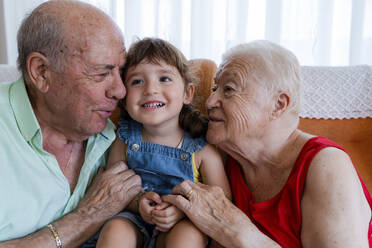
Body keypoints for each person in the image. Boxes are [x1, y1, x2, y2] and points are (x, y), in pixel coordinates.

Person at [164, 40, 372, 247]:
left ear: (278, 105)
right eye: (214, 89)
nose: (209, 102)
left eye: (228, 89)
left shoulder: (326, 164)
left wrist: (239, 234)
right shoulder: (222, 158)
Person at [0, 1, 142, 247]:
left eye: (121, 71)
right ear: (42, 72)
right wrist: (87, 216)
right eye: (100, 73)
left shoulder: (123, 131)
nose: (120, 90)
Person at [96, 38, 231, 248]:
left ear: (188, 93)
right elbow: (113, 193)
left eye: (164, 79)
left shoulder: (202, 149)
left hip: (183, 222)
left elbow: (222, 203)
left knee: (188, 236)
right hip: (135, 222)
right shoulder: (124, 139)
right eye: (137, 81)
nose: (151, 89)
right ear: (124, 97)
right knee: (115, 229)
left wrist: (184, 210)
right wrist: (138, 202)